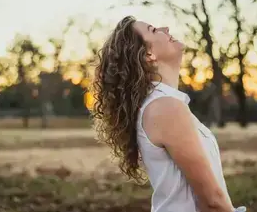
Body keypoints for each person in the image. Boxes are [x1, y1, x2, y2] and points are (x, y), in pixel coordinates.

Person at [91, 16, 246, 212]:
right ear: (148, 55)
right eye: (154, 30)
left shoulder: (162, 104)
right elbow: (213, 201)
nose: (165, 27)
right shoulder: (165, 107)